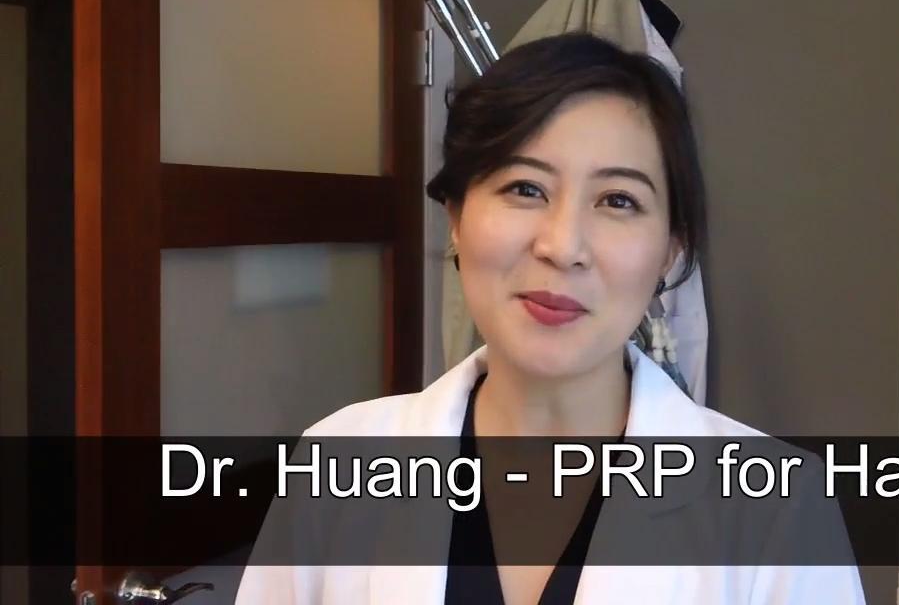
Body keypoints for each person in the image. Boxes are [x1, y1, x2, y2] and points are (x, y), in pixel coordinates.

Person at [235, 32, 865, 604]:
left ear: (670, 251)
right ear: (456, 215)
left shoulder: (779, 512)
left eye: (618, 200)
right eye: (525, 188)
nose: (563, 246)